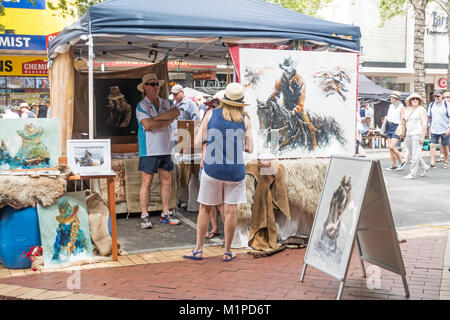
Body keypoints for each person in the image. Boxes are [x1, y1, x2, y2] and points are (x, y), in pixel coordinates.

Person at [183, 83, 253, 261]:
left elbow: (198, 142)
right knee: (231, 211)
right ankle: (228, 251)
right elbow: (250, 148)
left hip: (212, 169)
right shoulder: (245, 119)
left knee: (204, 208)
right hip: (235, 171)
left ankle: (198, 250)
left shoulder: (211, 114)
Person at [136, 73, 181, 229]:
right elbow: (147, 124)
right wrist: (164, 119)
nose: (155, 87)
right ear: (145, 87)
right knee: (146, 182)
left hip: (165, 148)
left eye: (157, 84)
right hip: (148, 149)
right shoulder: (141, 105)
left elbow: (175, 113)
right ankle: (144, 215)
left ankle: (165, 213)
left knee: (166, 181)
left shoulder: (167, 102)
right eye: (151, 84)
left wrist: (155, 120)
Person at [402, 93, 430, 179]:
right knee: (413, 153)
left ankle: (412, 174)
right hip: (408, 134)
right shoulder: (408, 109)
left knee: (415, 155)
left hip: (417, 134)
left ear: (419, 101)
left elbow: (424, 124)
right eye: (413, 99)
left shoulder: (421, 109)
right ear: (410, 101)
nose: (415, 100)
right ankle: (425, 167)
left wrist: (423, 136)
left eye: (416, 99)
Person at [427, 90, 449, 169]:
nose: (436, 97)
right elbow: (429, 117)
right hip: (434, 129)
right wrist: (429, 128)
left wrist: (449, 128)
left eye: (438, 96)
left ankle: (446, 160)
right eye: (435, 96)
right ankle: (432, 162)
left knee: (445, 146)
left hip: (444, 129)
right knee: (432, 145)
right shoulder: (432, 105)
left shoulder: (446, 105)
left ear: (441, 96)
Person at [385, 91, 406, 170]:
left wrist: (402, 125)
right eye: (391, 97)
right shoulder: (390, 106)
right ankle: (394, 165)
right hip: (389, 125)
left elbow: (403, 117)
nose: (391, 98)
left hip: (396, 127)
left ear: (397, 99)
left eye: (393, 97)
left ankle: (402, 160)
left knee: (392, 146)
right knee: (390, 148)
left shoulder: (401, 106)